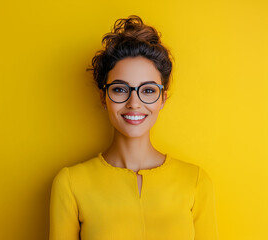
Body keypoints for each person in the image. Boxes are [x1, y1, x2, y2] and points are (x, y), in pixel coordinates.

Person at [49, 15, 219, 240]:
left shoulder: (196, 182)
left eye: (148, 90)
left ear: (162, 99)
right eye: (120, 89)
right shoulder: (70, 183)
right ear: (103, 97)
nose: (134, 103)